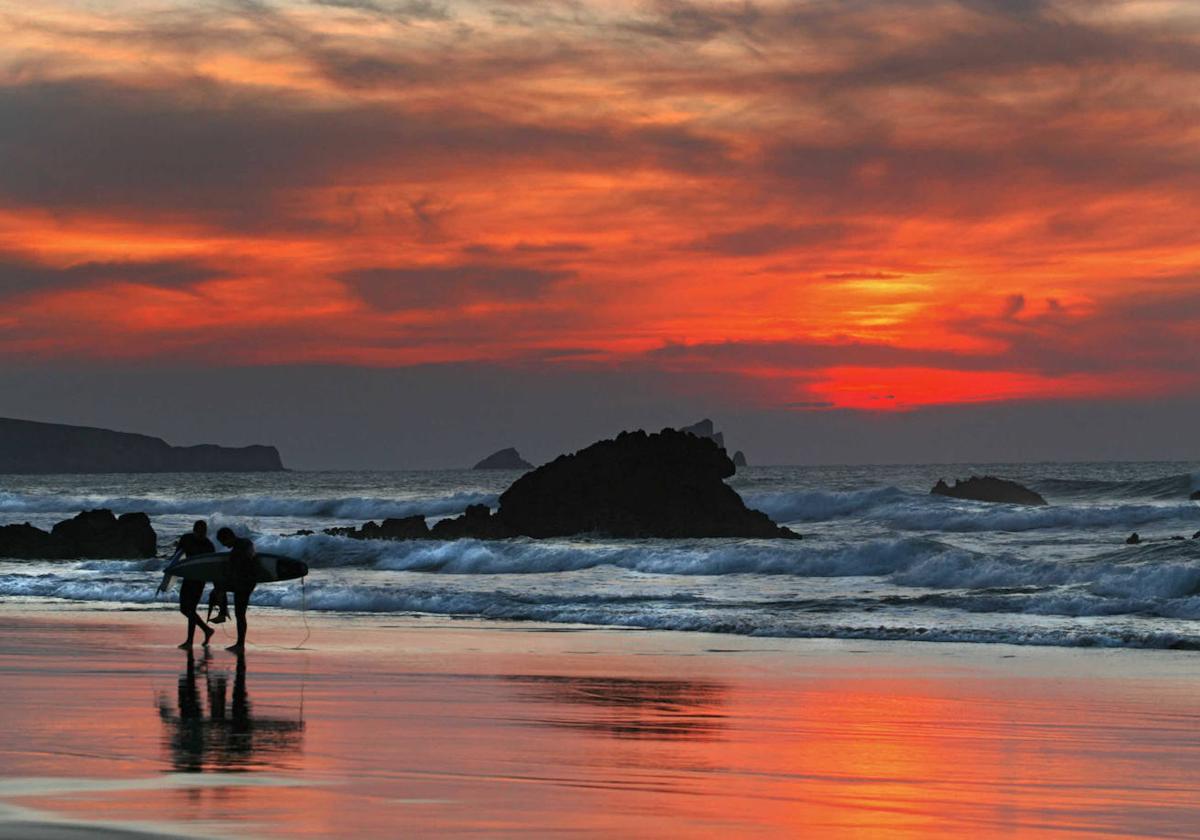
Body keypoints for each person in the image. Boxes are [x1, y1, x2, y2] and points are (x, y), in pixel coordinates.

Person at [160, 520, 216, 649]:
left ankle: (190, 641)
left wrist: (217, 587)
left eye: (204, 532)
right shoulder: (186, 539)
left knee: (190, 609)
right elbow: (177, 556)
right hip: (188, 577)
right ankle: (207, 630)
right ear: (194, 530)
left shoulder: (208, 545)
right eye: (200, 532)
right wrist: (170, 571)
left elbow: (212, 566)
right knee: (184, 609)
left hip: (199, 580)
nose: (202, 534)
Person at [216, 527, 258, 653]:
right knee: (217, 585)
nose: (223, 545)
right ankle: (222, 613)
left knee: (240, 614)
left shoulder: (244, 545)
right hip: (241, 581)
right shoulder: (243, 544)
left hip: (245, 583)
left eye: (223, 542)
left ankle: (240, 645)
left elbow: (247, 560)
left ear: (229, 537)